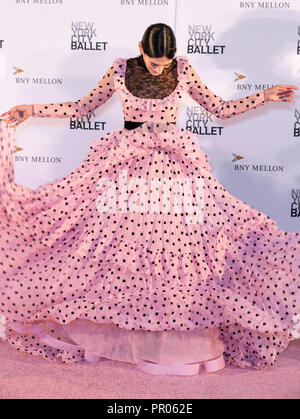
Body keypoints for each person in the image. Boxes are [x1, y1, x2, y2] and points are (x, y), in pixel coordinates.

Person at [0, 23, 299, 376]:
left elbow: (219, 108)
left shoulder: (184, 69)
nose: (160, 67)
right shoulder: (119, 69)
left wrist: (264, 96)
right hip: (125, 163)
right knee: (113, 248)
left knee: (178, 251)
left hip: (176, 166)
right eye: (154, 61)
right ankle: (110, 337)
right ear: (140, 48)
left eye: (165, 62)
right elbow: (83, 107)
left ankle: (170, 341)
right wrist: (31, 109)